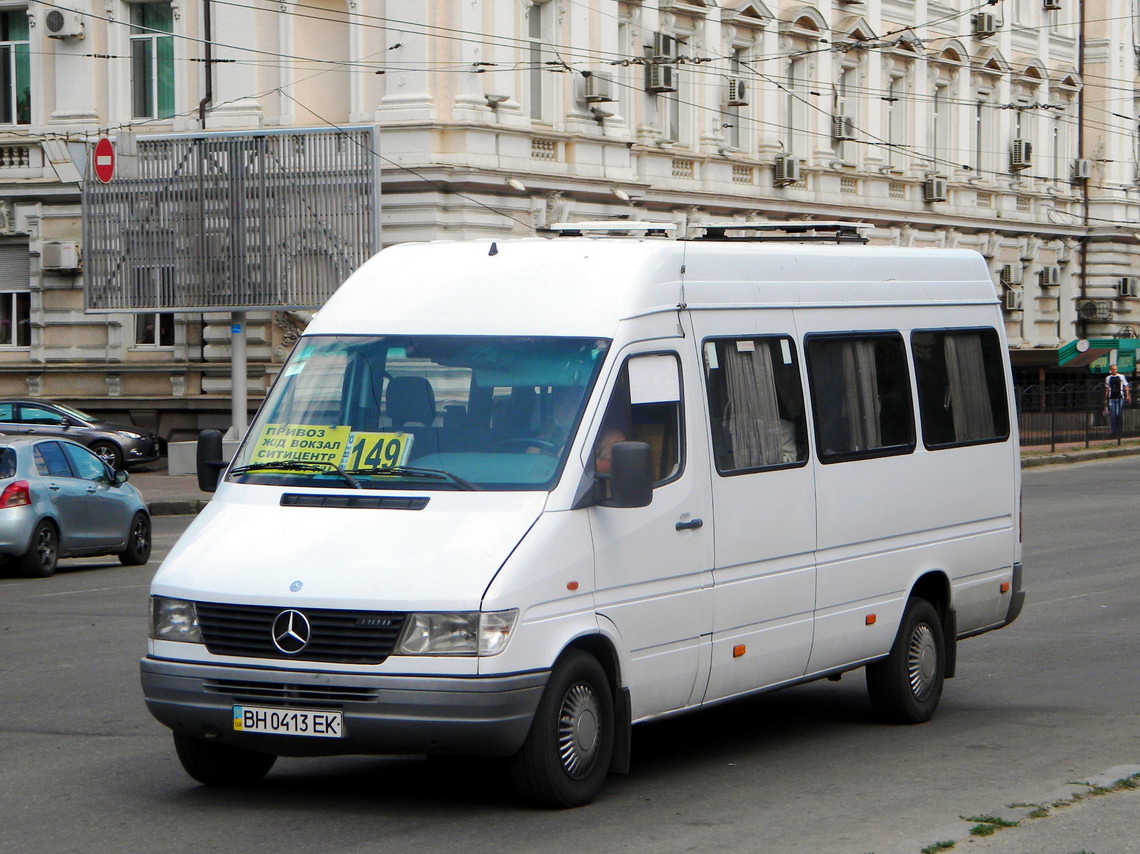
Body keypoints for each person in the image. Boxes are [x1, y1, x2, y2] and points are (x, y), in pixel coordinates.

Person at [1104, 364, 1131, 436]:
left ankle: (1119, 429)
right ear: (1111, 370)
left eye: (1115, 369)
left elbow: (1126, 386)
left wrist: (1127, 395)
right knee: (1113, 415)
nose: (1114, 370)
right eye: (1113, 369)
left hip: (1119, 397)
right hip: (1111, 397)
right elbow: (1107, 388)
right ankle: (1114, 430)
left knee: (1118, 413)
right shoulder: (1108, 378)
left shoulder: (1121, 376)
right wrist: (1106, 398)